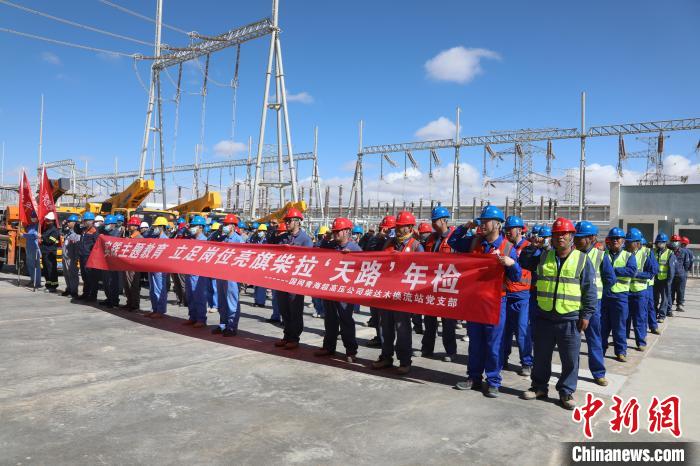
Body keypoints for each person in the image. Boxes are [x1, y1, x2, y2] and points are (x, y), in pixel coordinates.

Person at [519, 218, 597, 410]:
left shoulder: (582, 259)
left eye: (564, 234)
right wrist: (532, 247)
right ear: (552, 238)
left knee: (570, 359)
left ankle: (566, 391)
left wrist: (586, 315)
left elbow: (589, 290)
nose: (560, 237)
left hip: (570, 318)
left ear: (572, 237)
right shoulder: (544, 255)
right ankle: (539, 387)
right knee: (541, 356)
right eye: (556, 234)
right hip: (545, 316)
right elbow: (523, 262)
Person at [449, 205, 521, 398]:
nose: (482, 224)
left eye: (485, 221)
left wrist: (511, 264)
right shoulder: (475, 242)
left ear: (497, 224)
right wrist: (466, 226)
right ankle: (473, 377)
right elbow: (453, 241)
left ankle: (493, 381)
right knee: (476, 342)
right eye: (481, 221)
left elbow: (517, 276)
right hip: (475, 301)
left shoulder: (507, 248)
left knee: (493, 343)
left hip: (496, 301)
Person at [371, 210, 423, 375]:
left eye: (401, 227)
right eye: (397, 227)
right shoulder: (389, 243)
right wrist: (377, 237)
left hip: (403, 295)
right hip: (387, 293)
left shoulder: (416, 246)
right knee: (385, 326)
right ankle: (386, 357)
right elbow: (372, 255)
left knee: (402, 329)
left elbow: (423, 271)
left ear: (410, 227)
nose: (398, 230)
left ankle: (405, 360)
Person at [572, 221, 615, 386]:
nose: (576, 240)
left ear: (591, 238)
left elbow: (610, 279)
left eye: (580, 238)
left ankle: (598, 373)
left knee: (594, 338)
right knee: (572, 341)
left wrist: (599, 293)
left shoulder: (600, 255)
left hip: (593, 305)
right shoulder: (572, 253)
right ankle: (571, 373)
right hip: (573, 303)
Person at [314, 217, 362, 362]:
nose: (335, 234)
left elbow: (363, 269)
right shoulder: (331, 245)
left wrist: (352, 258)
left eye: (338, 231)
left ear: (347, 231)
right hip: (330, 289)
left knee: (346, 319)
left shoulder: (355, 249)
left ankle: (351, 350)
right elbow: (316, 252)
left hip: (345, 292)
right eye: (334, 231)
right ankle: (329, 347)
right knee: (330, 319)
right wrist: (324, 240)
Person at [420, 206, 457, 362]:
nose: (433, 224)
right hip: (432, 284)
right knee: (429, 320)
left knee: (448, 322)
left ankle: (450, 351)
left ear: (444, 220)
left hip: (449, 285)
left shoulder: (455, 238)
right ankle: (427, 349)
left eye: (435, 221)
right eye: (433, 221)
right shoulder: (430, 239)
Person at [274, 207, 313, 349]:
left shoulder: (305, 239)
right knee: (284, 309)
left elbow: (309, 260)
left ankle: (294, 338)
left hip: (295, 281)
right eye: (286, 221)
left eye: (289, 221)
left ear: (297, 222)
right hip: (282, 280)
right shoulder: (284, 238)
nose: (287, 223)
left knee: (295, 310)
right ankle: (287, 335)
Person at [501, 215, 534, 376]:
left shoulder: (530, 247)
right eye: (506, 229)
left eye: (510, 229)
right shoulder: (504, 247)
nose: (507, 232)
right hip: (506, 293)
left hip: (522, 295)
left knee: (522, 331)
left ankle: (527, 362)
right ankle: (503, 359)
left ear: (520, 230)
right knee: (504, 330)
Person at [601, 227, 637, 362]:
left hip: (620, 296)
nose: (615, 240)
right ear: (609, 240)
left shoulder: (628, 256)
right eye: (613, 238)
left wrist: (611, 270)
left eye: (618, 238)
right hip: (604, 295)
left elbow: (631, 271)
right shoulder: (603, 254)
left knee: (619, 326)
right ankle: (601, 350)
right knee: (602, 326)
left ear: (623, 241)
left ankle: (621, 351)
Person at [363, 215, 396, 348]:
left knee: (387, 318)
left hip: (390, 284)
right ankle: (379, 337)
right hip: (376, 281)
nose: (385, 231)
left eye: (387, 229)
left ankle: (387, 341)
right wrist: (377, 238)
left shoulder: (395, 242)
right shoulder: (376, 241)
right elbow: (366, 252)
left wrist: (388, 240)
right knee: (376, 315)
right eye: (383, 229)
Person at [625, 228, 657, 352]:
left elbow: (651, 272)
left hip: (640, 291)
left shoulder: (647, 253)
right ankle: (623, 338)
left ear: (638, 243)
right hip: (625, 290)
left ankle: (641, 342)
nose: (627, 244)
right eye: (626, 242)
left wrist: (635, 274)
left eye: (630, 242)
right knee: (625, 318)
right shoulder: (624, 252)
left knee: (640, 317)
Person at [211, 214, 243, 336]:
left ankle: (232, 326)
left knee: (232, 301)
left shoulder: (239, 240)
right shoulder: (222, 238)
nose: (224, 226)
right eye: (224, 224)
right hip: (221, 273)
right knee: (222, 300)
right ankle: (223, 324)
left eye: (227, 224)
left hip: (232, 276)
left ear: (234, 226)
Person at [182, 216, 209, 328]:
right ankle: (192, 317)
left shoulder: (205, 241)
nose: (191, 228)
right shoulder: (190, 240)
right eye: (191, 226)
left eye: (194, 226)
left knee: (199, 296)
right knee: (190, 295)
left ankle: (201, 319)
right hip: (189, 271)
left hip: (199, 274)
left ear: (201, 227)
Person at [147, 217, 170, 319]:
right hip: (152, 266)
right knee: (152, 289)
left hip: (160, 268)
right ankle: (154, 309)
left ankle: (160, 310)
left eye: (156, 227)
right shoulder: (155, 238)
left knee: (160, 289)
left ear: (161, 227)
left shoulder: (166, 239)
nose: (154, 228)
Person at [76, 212, 100, 302]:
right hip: (82, 256)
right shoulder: (84, 230)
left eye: (87, 221)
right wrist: (78, 222)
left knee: (91, 277)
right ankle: (85, 293)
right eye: (85, 220)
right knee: (85, 276)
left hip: (89, 257)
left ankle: (93, 296)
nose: (85, 222)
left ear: (92, 221)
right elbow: (76, 229)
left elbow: (96, 245)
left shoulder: (94, 231)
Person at [121, 215, 143, 311]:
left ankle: (135, 304)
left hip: (134, 265)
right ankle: (129, 302)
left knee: (133, 285)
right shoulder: (129, 236)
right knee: (127, 284)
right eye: (129, 225)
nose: (129, 227)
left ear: (136, 226)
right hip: (127, 264)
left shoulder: (139, 237)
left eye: (131, 225)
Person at [100, 215, 122, 308]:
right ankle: (109, 298)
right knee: (106, 281)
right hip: (105, 260)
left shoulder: (116, 234)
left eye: (107, 224)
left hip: (113, 262)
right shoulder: (105, 232)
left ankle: (114, 300)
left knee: (113, 281)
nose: (106, 226)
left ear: (113, 224)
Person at [653, 233, 675, 323]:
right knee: (654, 298)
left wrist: (669, 281)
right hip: (655, 279)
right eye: (659, 242)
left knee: (665, 299)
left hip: (665, 280)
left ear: (665, 243)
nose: (660, 244)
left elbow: (672, 269)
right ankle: (654, 313)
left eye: (662, 242)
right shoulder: (653, 252)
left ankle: (662, 315)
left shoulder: (670, 253)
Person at [61, 213, 81, 298]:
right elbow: (62, 232)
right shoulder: (68, 232)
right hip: (65, 257)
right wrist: (63, 225)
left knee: (73, 275)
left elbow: (77, 246)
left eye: (69, 222)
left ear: (74, 223)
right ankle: (69, 288)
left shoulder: (77, 234)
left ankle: (74, 291)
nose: (68, 223)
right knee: (66, 274)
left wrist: (76, 258)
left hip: (72, 258)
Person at [39, 212, 60, 292]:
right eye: (46, 220)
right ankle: (48, 284)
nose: (46, 222)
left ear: (52, 221)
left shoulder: (54, 230)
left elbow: (51, 241)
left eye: (48, 220)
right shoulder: (47, 229)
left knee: (51, 270)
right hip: (45, 252)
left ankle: (53, 286)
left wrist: (42, 238)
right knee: (45, 269)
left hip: (50, 253)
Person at [249, 223, 269, 307]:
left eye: (262, 231)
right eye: (259, 231)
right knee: (256, 284)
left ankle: (261, 302)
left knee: (262, 285)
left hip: (264, 263)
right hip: (256, 263)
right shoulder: (256, 239)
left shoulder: (267, 240)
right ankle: (257, 300)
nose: (260, 232)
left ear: (265, 232)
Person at [670, 235, 690, 313]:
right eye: (673, 241)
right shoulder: (669, 251)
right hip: (671, 275)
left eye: (676, 241)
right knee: (671, 291)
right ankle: (669, 305)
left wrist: (683, 272)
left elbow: (687, 263)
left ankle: (679, 305)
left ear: (679, 242)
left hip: (681, 275)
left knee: (680, 291)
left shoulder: (684, 252)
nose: (675, 243)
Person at [22, 211, 41, 288]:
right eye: (32, 217)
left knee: (36, 266)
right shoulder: (30, 226)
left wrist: (24, 235)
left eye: (34, 217)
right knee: (30, 265)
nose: (32, 219)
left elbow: (34, 235)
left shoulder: (38, 226)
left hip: (35, 247)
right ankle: (32, 280)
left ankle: (37, 282)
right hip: (28, 247)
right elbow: (27, 231)